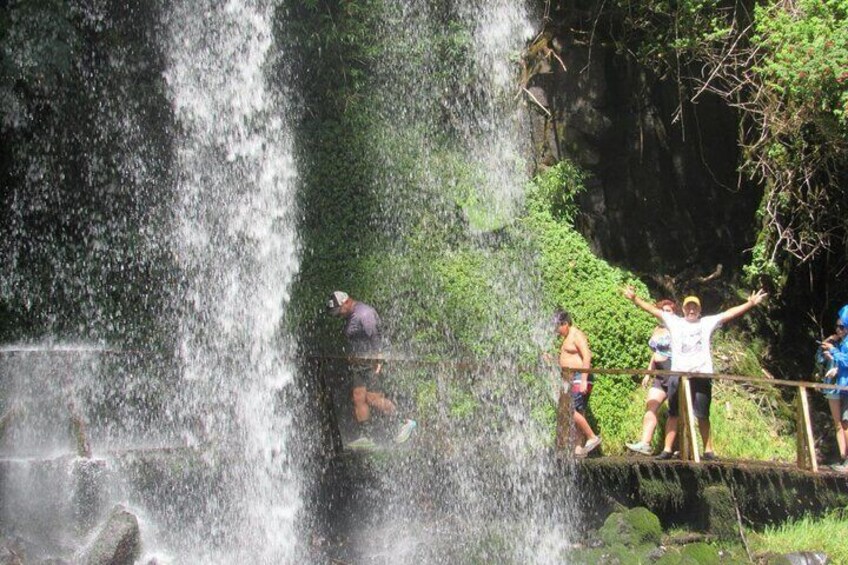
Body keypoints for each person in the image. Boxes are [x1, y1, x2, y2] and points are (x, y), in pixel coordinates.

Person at [623, 287, 767, 460]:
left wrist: (750, 303)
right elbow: (653, 310)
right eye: (688, 307)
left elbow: (729, 314)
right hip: (678, 374)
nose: (691, 310)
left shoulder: (706, 323)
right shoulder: (675, 322)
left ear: (699, 310)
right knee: (673, 413)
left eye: (695, 308)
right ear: (683, 310)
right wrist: (635, 299)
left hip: (701, 375)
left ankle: (708, 450)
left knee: (702, 415)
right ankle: (667, 449)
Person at [326, 291, 416, 449]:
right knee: (358, 398)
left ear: (346, 302)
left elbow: (376, 336)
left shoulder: (364, 313)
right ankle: (366, 436)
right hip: (358, 364)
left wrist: (378, 359)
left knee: (373, 398)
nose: (339, 314)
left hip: (370, 363)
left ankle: (405, 421)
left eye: (339, 310)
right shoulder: (351, 316)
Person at [626, 299, 679, 456]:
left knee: (674, 411)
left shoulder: (675, 328)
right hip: (659, 373)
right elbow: (655, 353)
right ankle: (645, 443)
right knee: (651, 406)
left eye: (669, 311)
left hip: (671, 370)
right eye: (663, 311)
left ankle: (672, 448)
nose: (666, 314)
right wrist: (649, 372)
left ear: (673, 313)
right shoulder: (657, 328)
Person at [553, 309, 601, 457]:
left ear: (565, 324)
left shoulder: (576, 335)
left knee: (569, 409)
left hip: (580, 376)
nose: (556, 331)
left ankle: (592, 437)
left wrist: (584, 380)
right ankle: (578, 447)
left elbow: (587, 355)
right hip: (571, 377)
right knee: (578, 412)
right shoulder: (567, 337)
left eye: (557, 327)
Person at [820, 305, 848, 472]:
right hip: (843, 387)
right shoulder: (843, 342)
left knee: (845, 423)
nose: (839, 329)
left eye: (842, 325)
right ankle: (845, 460)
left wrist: (833, 352)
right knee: (843, 423)